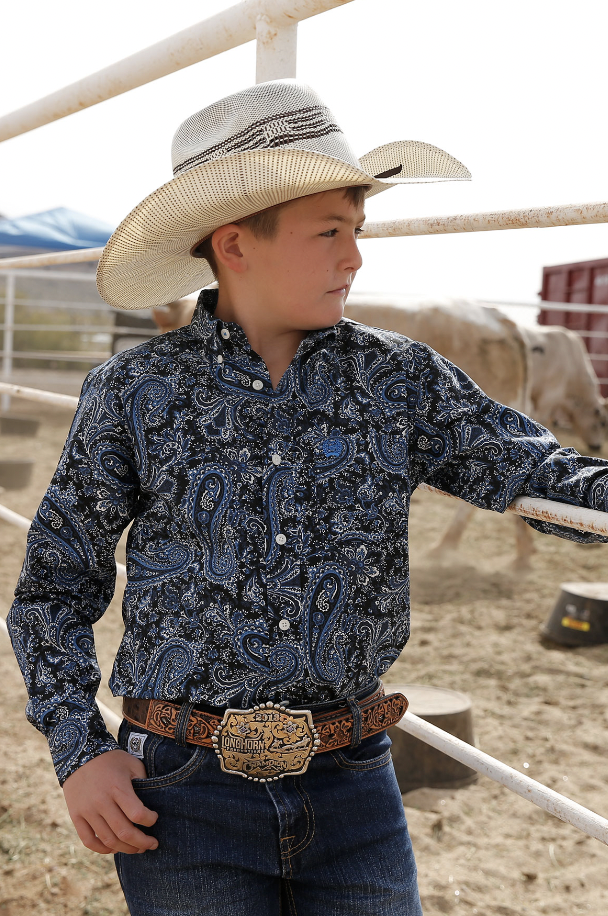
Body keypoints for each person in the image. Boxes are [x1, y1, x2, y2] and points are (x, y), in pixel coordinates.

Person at [7, 80, 608, 916]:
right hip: (178, 791)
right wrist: (79, 749)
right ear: (235, 244)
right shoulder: (135, 393)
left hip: (354, 782)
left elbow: (542, 475)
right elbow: (53, 586)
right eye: (329, 232)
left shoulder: (398, 378)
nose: (355, 257)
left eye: (356, 231)